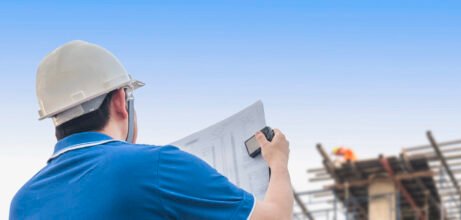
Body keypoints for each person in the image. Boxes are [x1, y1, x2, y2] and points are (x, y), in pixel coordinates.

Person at [10, 40, 293, 220]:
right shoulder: (156, 165)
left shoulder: (21, 203)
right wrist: (278, 163)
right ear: (121, 100)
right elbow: (276, 218)